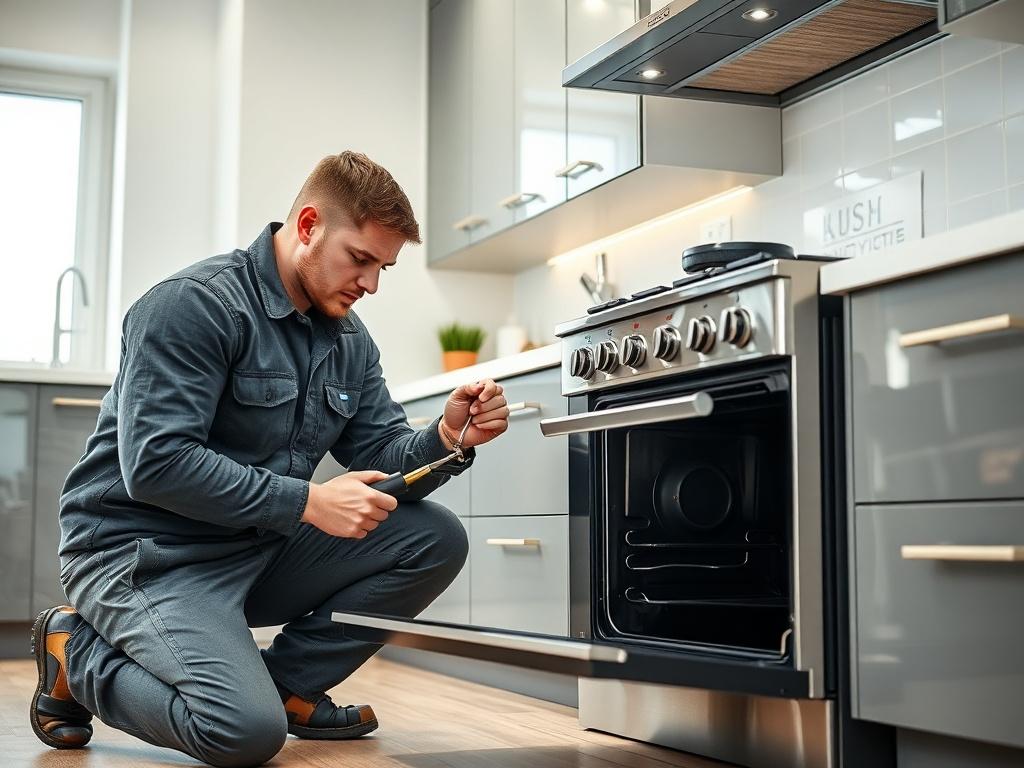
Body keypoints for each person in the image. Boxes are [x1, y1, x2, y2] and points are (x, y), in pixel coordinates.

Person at [29, 151, 509, 767]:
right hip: (143, 554)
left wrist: (447, 437)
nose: (371, 284)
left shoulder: (349, 341)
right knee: (241, 735)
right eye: (360, 259)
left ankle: (286, 687)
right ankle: (77, 654)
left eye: (383, 267)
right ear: (308, 225)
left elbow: (383, 456)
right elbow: (155, 464)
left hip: (255, 545)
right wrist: (308, 501)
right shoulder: (192, 306)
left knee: (432, 537)